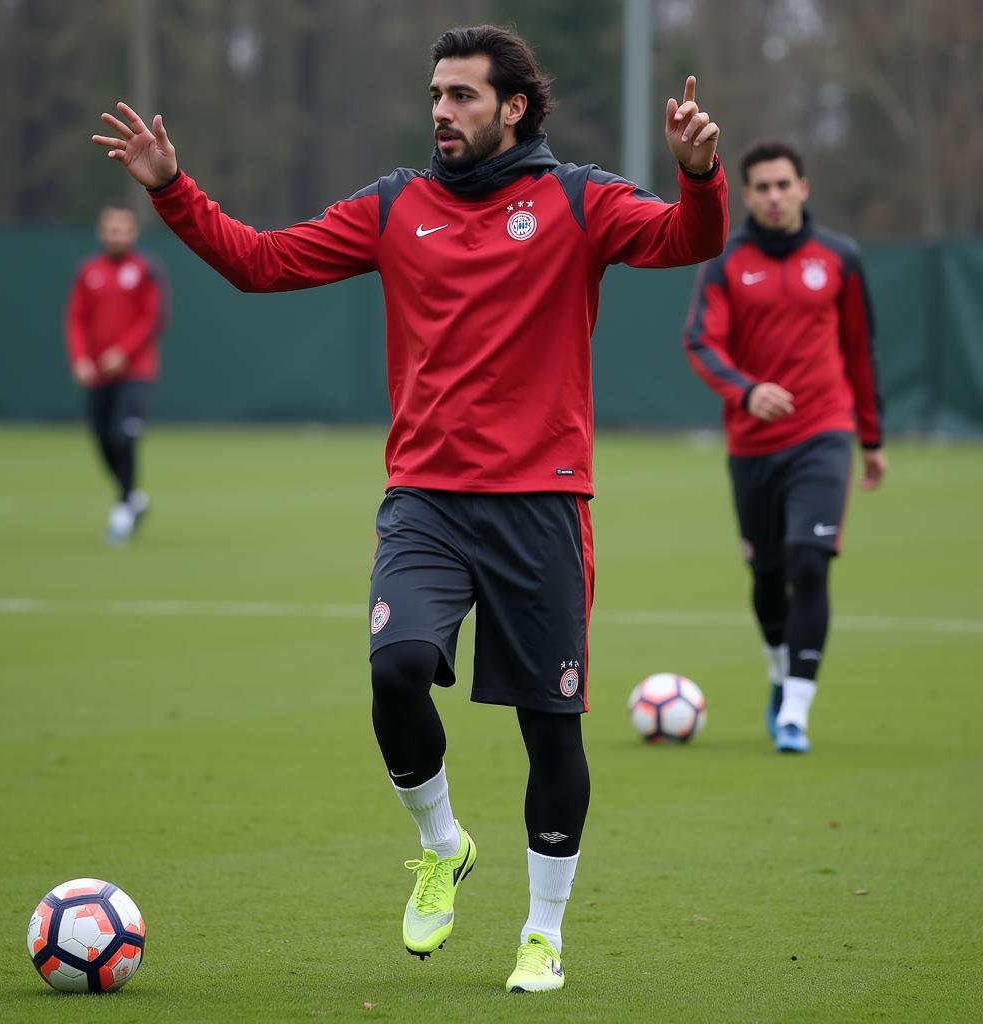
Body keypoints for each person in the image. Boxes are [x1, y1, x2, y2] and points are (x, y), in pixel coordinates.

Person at [93, 24, 727, 991]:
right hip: (426, 499)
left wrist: (698, 174)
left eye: (462, 95)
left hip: (542, 506)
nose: (441, 109)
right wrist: (171, 186)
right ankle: (442, 842)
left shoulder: (578, 198)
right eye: (436, 92)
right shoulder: (395, 206)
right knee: (397, 670)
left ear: (513, 107)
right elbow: (260, 262)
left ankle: (543, 934)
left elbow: (692, 238)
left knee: (550, 730)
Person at [683, 139, 885, 754]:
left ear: (804, 188)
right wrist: (746, 391)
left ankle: (796, 711)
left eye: (783, 185)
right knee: (768, 576)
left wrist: (870, 437)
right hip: (751, 444)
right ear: (746, 195)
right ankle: (778, 671)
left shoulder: (840, 258)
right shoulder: (724, 262)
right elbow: (701, 343)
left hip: (824, 432)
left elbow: (859, 350)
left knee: (809, 560)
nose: (773, 196)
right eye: (762, 187)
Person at [65, 200, 167, 544]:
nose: (116, 234)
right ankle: (134, 498)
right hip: (97, 375)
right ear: (101, 231)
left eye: (122, 228)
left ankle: (123, 509)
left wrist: (123, 353)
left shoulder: (146, 269)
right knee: (104, 443)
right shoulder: (88, 271)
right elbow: (76, 318)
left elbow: (153, 319)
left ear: (133, 232)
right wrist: (80, 358)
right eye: (110, 228)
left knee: (123, 437)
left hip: (136, 372)